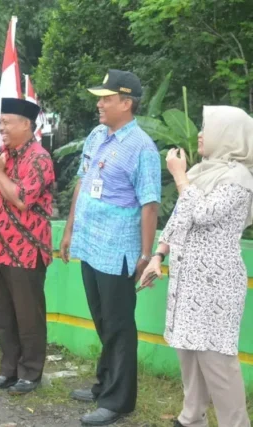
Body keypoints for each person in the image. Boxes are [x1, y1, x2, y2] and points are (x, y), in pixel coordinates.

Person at [59, 69, 161, 426]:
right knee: (103, 319)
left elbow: (150, 205)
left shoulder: (142, 148)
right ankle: (105, 384)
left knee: (118, 324)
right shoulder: (98, 134)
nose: (99, 103)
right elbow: (83, 183)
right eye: (99, 97)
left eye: (106, 98)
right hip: (90, 243)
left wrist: (145, 255)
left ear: (126, 103)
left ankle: (118, 401)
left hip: (119, 250)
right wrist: (69, 230)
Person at [140, 106, 253, 427]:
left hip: (216, 283)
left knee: (217, 362)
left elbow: (203, 213)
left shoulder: (239, 178)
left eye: (208, 129)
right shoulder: (203, 171)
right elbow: (180, 219)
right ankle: (191, 418)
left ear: (228, 136)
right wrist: (159, 256)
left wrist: (179, 176)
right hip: (188, 281)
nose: (201, 134)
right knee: (188, 353)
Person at [0, 98, 55, 395]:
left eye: (7, 121)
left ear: (27, 125)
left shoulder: (39, 158)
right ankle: (7, 370)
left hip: (26, 249)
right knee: (3, 314)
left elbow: (21, 199)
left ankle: (30, 373)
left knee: (28, 315)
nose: (2, 127)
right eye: (1, 122)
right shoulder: (2, 155)